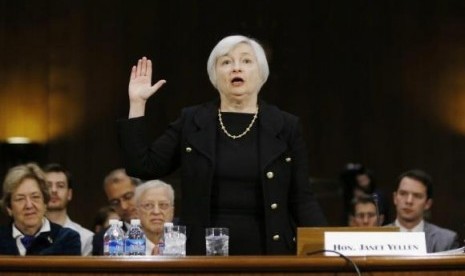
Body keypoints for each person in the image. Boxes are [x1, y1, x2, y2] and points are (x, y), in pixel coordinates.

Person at [117, 34, 327, 255]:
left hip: (269, 251)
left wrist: (328, 248)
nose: (236, 68)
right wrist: (137, 103)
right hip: (203, 253)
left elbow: (302, 198)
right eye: (226, 62)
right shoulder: (192, 121)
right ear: (214, 75)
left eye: (246, 61)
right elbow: (142, 166)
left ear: (261, 73)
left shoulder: (286, 126)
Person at [0, 163, 81, 255]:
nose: (29, 205)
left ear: (45, 202)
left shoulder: (67, 239)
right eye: (20, 199)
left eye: (35, 197)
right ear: (9, 207)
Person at [387, 169, 460, 253]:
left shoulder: (446, 240)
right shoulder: (376, 237)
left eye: (417, 196)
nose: (409, 201)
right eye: (403, 194)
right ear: (395, 198)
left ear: (427, 204)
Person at [43, 163, 94, 256]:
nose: (54, 190)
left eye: (60, 186)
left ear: (69, 194)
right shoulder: (29, 234)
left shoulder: (85, 237)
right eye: (48, 186)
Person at [91, 168, 140, 255]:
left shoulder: (169, 229)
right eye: (115, 202)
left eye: (128, 197)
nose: (124, 206)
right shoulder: (102, 239)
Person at [134, 179, 175, 255]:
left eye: (163, 205)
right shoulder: (122, 247)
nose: (156, 212)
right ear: (137, 213)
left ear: (172, 212)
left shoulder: (185, 247)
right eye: (148, 205)